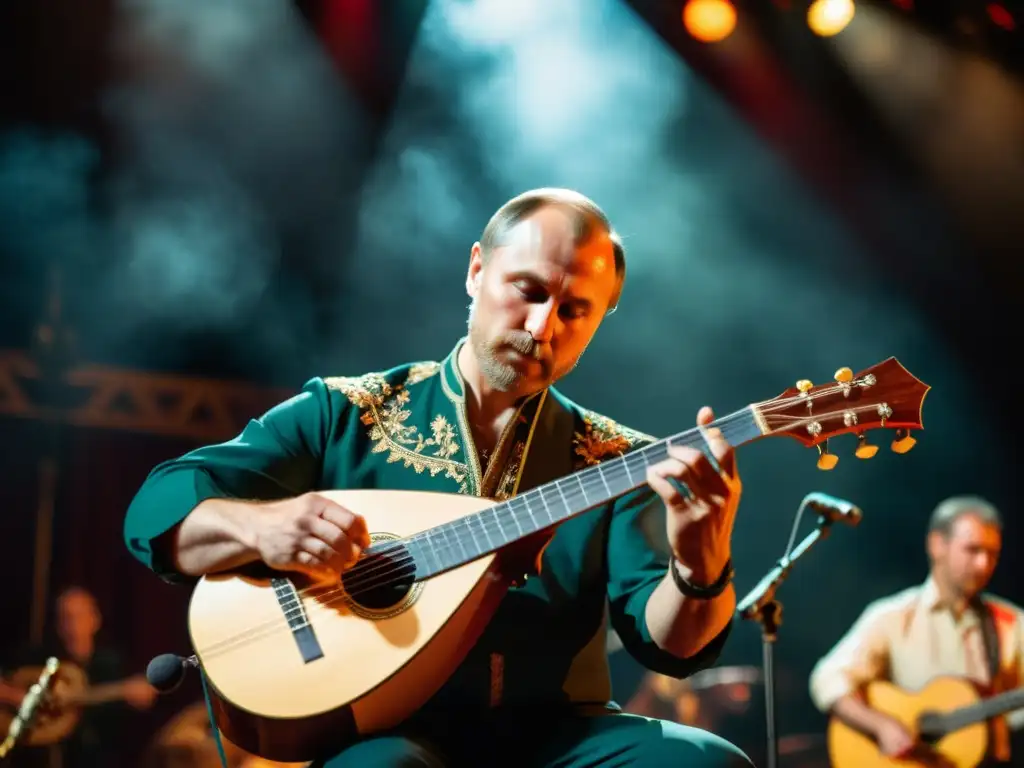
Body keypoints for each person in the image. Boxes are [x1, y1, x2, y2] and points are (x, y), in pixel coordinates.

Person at [123, 188, 752, 767]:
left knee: (708, 762)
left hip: (553, 742)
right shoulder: (348, 413)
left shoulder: (618, 460)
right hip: (381, 734)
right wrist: (263, 527)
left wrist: (701, 562)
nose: (542, 328)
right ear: (477, 269)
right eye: (528, 290)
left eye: (575, 310)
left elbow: (670, 650)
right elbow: (160, 507)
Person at [809, 495, 1024, 764]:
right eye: (972, 550)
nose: (983, 564)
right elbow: (828, 678)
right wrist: (880, 725)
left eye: (992, 554)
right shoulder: (893, 616)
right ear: (937, 545)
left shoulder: (1011, 622)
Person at [0, 586, 157, 767]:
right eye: (66, 618)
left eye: (80, 616)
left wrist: (137, 698)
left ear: (95, 620)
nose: (73, 625)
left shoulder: (114, 666)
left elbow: (138, 713)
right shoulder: (36, 659)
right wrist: (20, 697)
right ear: (58, 625)